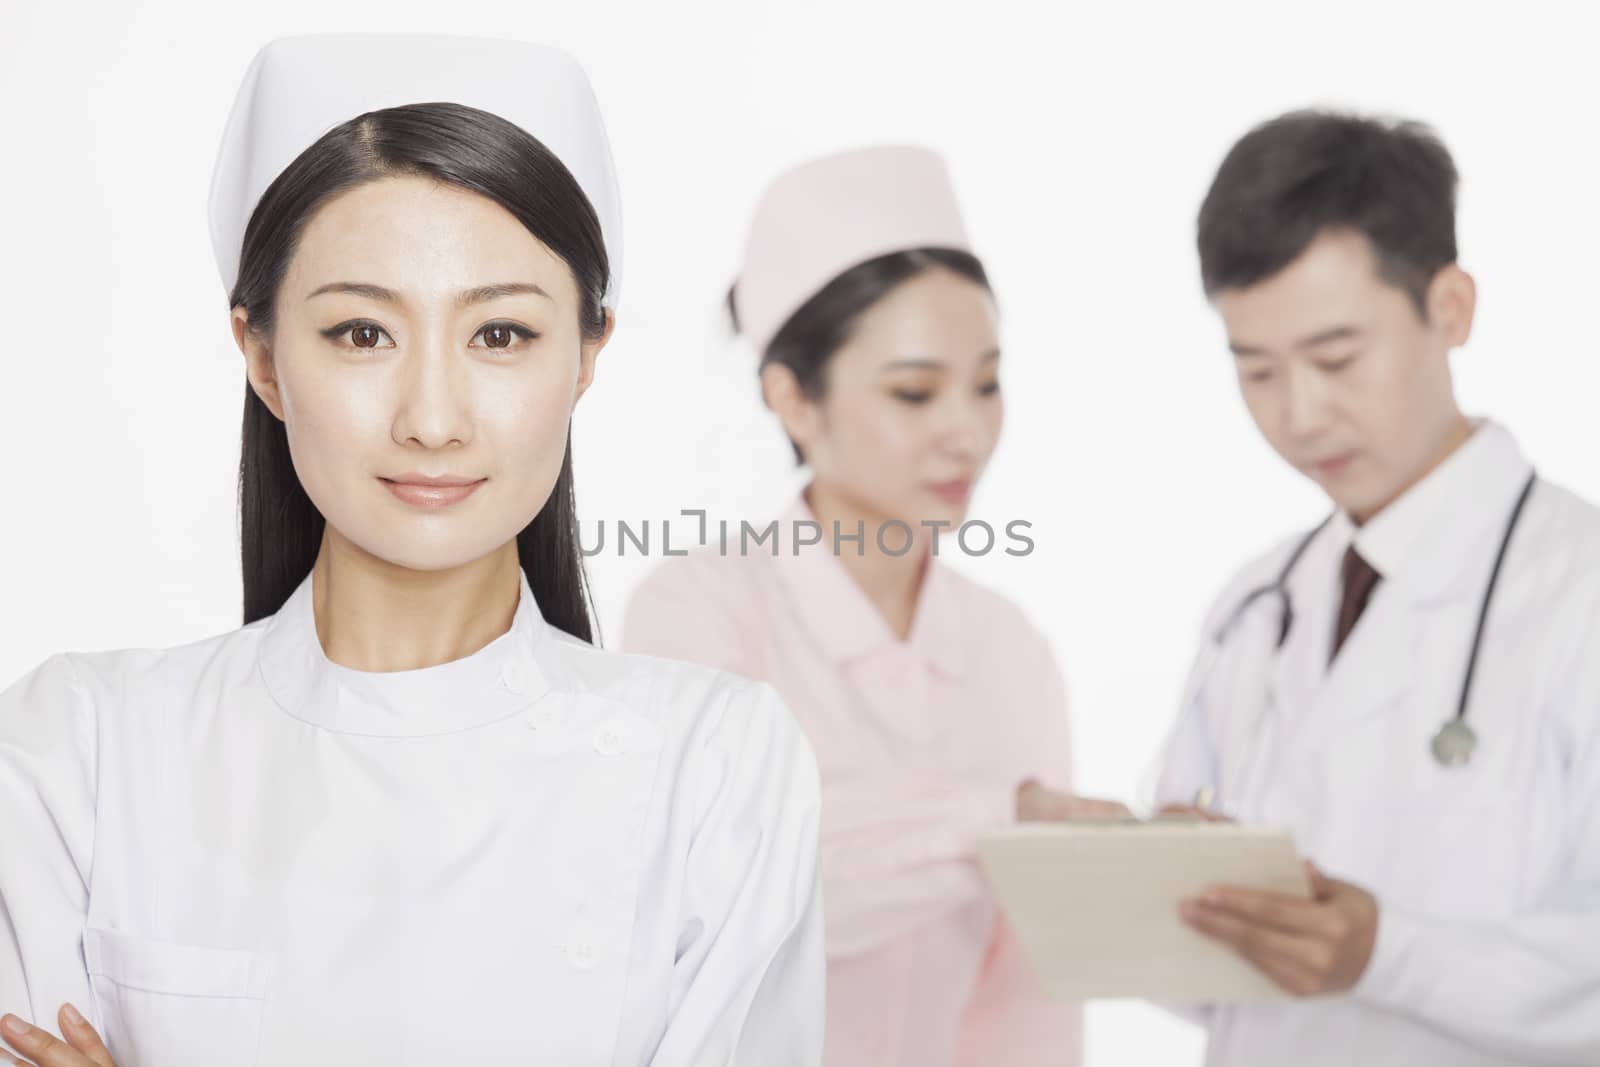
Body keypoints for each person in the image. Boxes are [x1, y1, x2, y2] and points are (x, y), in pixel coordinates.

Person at [0, 33, 824, 1067]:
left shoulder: (716, 770)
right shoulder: (73, 752)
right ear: (260, 355)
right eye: (359, 334)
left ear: (585, 355)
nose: (432, 419)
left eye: (500, 335)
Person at [623, 144, 1125, 1067]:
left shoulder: (1013, 652)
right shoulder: (697, 612)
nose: (965, 429)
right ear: (793, 398)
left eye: (987, 383)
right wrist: (1001, 821)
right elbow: (740, 892)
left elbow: (1027, 996)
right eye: (914, 390)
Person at [1152, 109, 1600, 1065]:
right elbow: (1191, 979)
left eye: (1336, 358)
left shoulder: (1580, 593)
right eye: (1256, 370)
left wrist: (1385, 954)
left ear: (1451, 307)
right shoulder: (1255, 607)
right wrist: (1132, 878)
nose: (1299, 414)